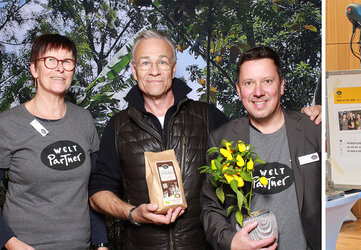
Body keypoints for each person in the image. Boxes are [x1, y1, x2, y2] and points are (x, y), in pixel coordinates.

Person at [88, 30, 321, 249]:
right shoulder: (117, 126)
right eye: (145, 62)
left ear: (173, 67)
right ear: (134, 69)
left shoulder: (208, 117)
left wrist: (314, 116)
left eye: (162, 61)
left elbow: (259, 122)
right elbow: (98, 191)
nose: (154, 70)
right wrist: (133, 213)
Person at [200, 46, 321, 250]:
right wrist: (230, 242)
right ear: (239, 90)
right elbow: (210, 207)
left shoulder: (313, 128)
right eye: (249, 83)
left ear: (281, 85)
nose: (258, 92)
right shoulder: (221, 139)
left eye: (267, 81)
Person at [0, 34, 108, 249]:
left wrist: (101, 242)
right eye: (50, 60)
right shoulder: (7, 124)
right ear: (34, 69)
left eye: (67, 62)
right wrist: (10, 243)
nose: (60, 68)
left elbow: (94, 189)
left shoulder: (83, 120)